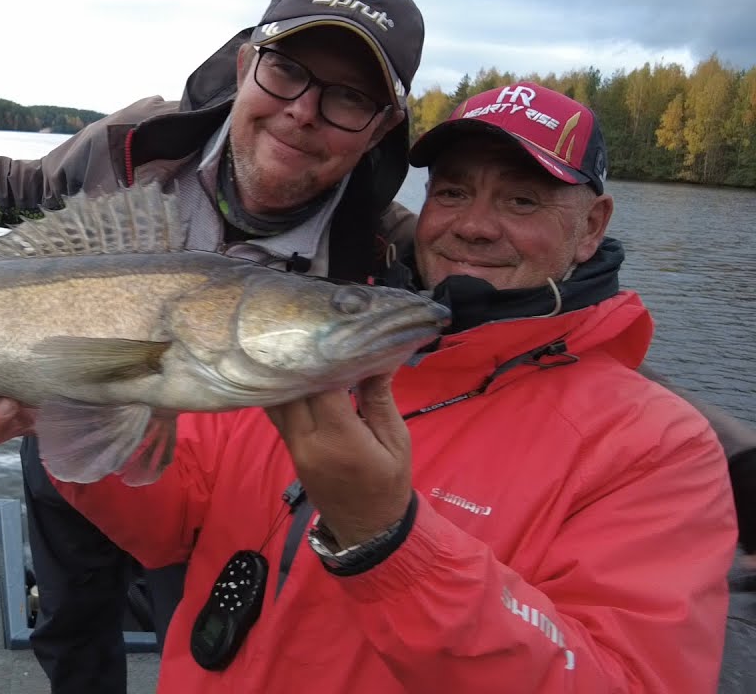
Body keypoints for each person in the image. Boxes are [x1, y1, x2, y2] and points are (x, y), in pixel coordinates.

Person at [42, 82, 739, 691]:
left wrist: (390, 541)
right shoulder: (319, 354)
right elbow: (169, 525)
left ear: (592, 226)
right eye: (454, 192)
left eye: (521, 200)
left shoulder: (658, 450)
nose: (473, 225)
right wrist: (63, 401)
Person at [0, 0, 428, 691]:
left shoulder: (395, 248)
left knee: (188, 621)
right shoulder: (138, 140)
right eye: (287, 71)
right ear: (249, 61)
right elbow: (32, 188)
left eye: (348, 98)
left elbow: (503, 268)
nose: (303, 112)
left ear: (380, 127)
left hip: (224, 480)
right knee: (67, 618)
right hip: (66, 413)